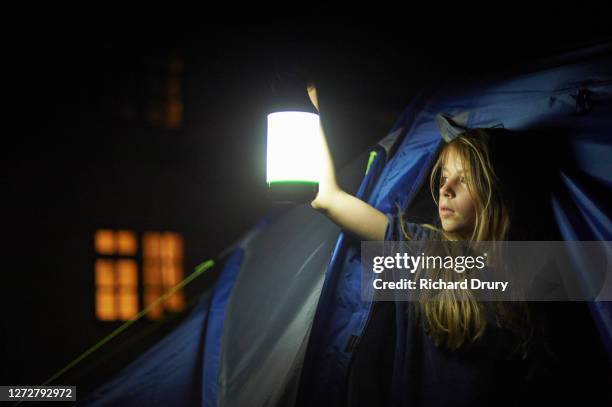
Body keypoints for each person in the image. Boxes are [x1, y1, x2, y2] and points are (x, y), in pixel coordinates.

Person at [307, 84, 543, 406]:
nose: (446, 188)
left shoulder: (531, 282)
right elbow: (327, 199)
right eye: (445, 176)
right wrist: (310, 110)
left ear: (495, 194)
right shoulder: (424, 253)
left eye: (466, 178)